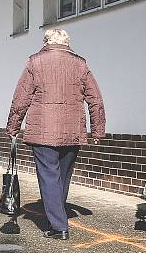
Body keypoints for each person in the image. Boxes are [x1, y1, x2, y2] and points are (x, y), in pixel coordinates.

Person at [6, 29, 106, 240]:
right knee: (62, 177)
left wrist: (13, 127)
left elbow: (21, 98)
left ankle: (59, 226)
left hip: (43, 131)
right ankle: (57, 217)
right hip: (72, 130)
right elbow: (95, 98)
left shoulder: (35, 62)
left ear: (46, 42)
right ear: (67, 43)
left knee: (49, 177)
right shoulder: (80, 64)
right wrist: (97, 130)